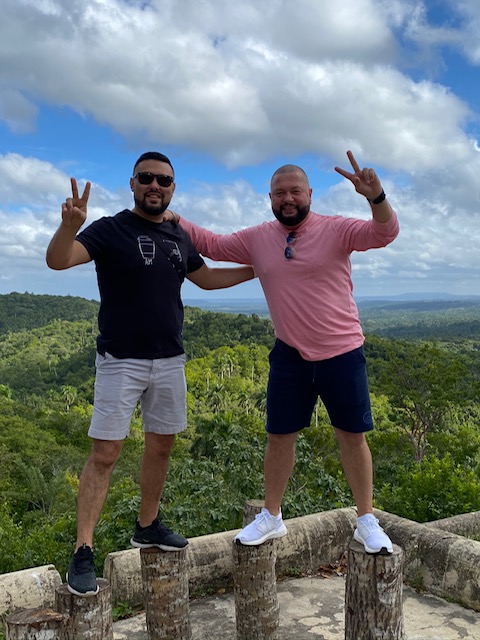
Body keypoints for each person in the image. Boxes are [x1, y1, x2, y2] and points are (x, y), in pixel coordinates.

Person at [167, 151, 399, 554]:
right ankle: (271, 516)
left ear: (309, 193)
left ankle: (366, 519)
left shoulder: (337, 229)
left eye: (294, 191)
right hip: (290, 354)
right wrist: (175, 218)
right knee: (278, 437)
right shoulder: (259, 238)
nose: (287, 199)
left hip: (342, 352)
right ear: (270, 198)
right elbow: (213, 245)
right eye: (279, 193)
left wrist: (376, 197)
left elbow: (385, 233)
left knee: (352, 437)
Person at [46, 151, 255, 596]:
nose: (155, 186)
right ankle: (83, 549)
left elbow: (208, 279)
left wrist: (262, 269)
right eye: (147, 178)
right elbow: (59, 261)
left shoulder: (179, 235)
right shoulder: (109, 228)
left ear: (173, 188)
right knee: (105, 453)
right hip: (121, 360)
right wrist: (69, 226)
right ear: (133, 183)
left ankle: (148, 524)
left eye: (164, 180)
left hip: (170, 359)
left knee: (161, 446)